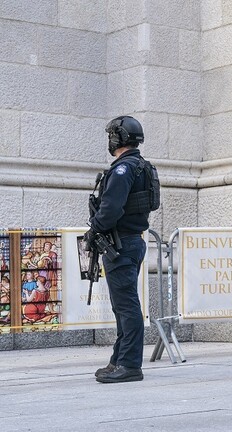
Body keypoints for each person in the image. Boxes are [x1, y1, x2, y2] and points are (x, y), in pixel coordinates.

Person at [88, 115, 157, 383]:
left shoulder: (122, 169)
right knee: (122, 306)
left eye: (111, 136)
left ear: (118, 138)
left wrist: (95, 227)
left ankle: (129, 365)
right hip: (131, 241)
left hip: (121, 243)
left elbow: (111, 209)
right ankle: (119, 358)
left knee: (126, 306)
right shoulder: (141, 166)